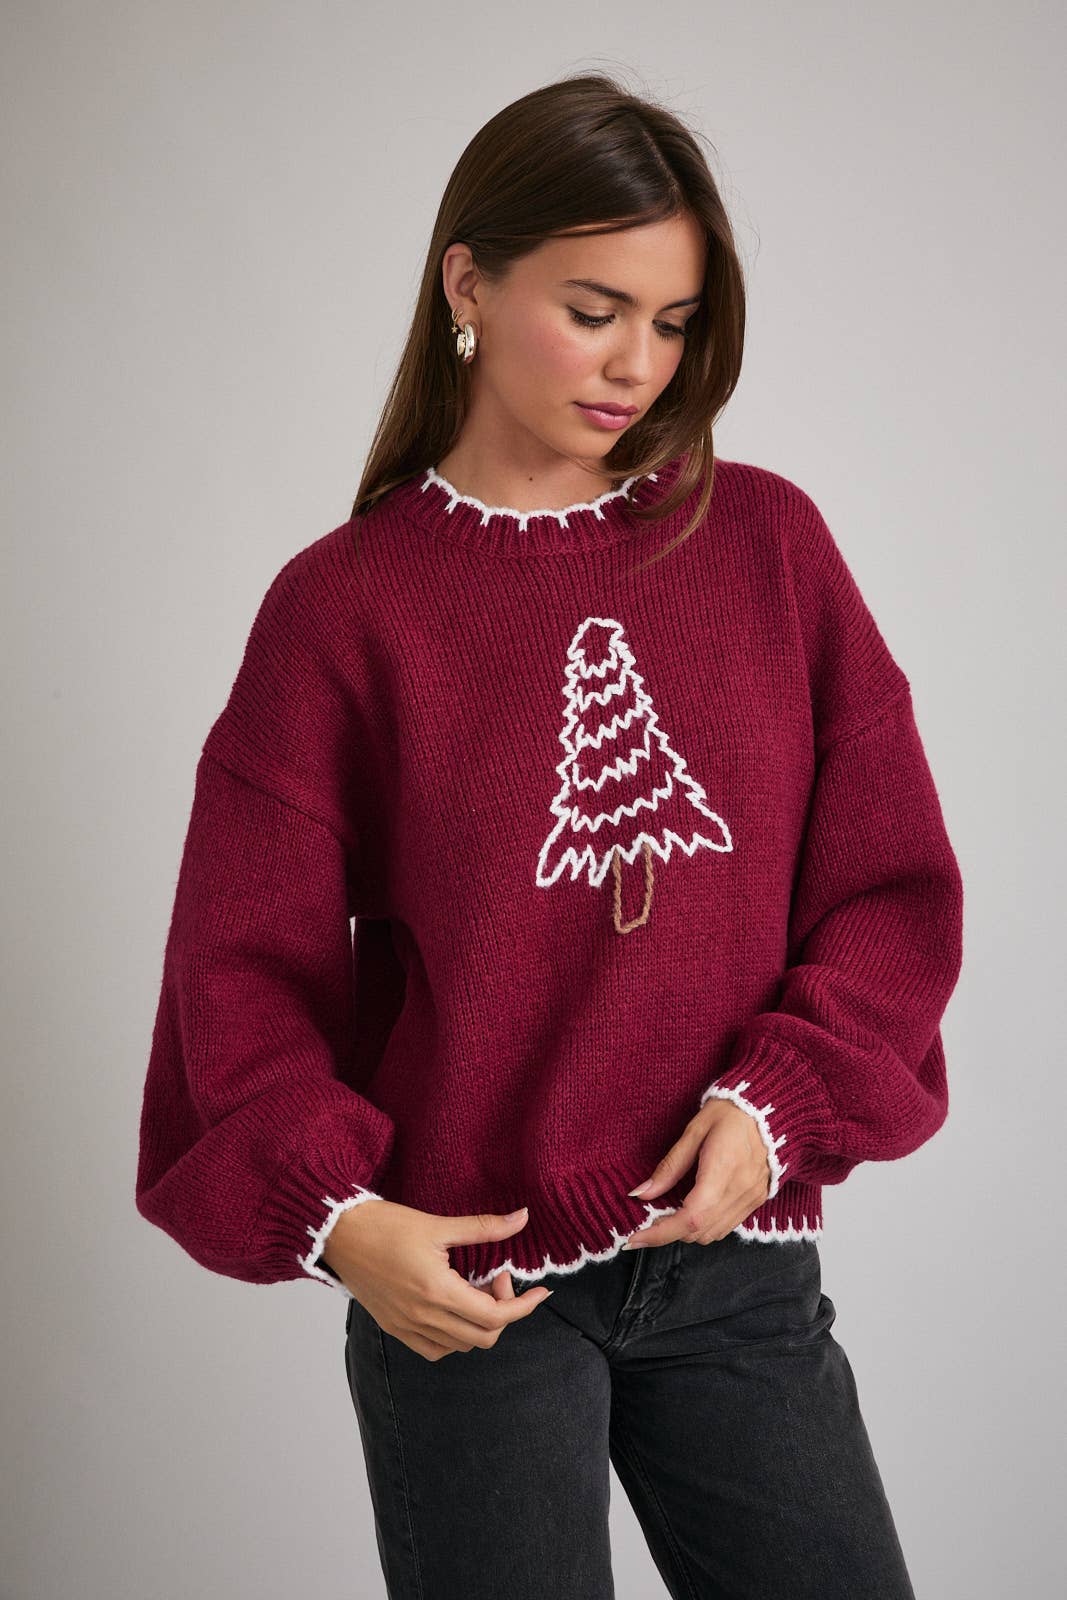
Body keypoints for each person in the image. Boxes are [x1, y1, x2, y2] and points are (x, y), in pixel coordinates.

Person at [135, 72, 964, 1600]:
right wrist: (344, 1221)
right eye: (595, 310)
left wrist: (781, 1100)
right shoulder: (343, 608)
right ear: (468, 283)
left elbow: (888, 884)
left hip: (734, 1267)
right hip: (470, 1293)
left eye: (673, 323)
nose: (638, 364)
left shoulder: (766, 545)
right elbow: (236, 970)